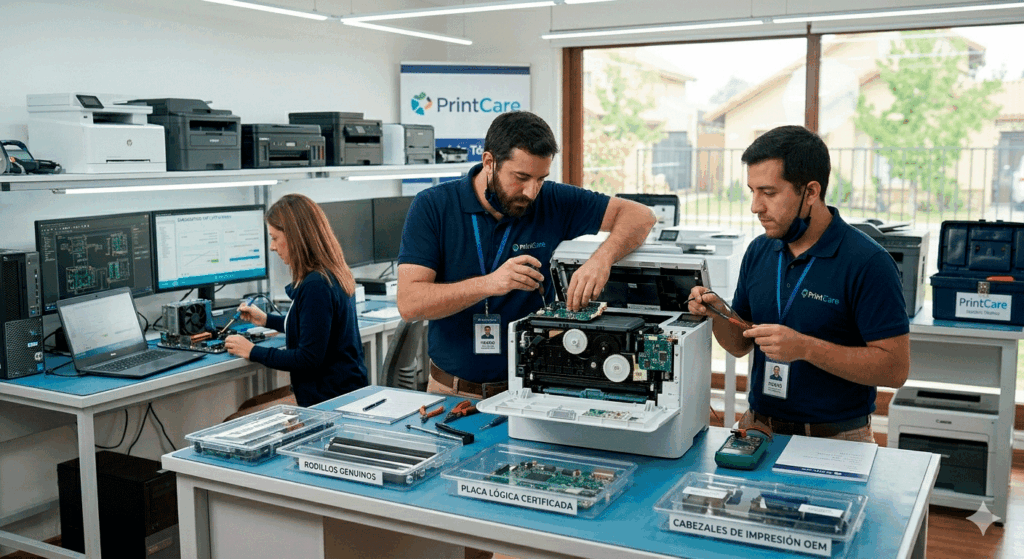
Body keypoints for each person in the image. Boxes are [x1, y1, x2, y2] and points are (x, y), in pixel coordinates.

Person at [397, 110, 656, 401]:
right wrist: (490, 284)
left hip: (531, 391)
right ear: (489, 162)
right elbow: (409, 304)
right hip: (451, 392)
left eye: (540, 179)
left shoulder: (553, 201)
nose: (531, 192)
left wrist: (601, 259)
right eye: (521, 178)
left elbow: (640, 216)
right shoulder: (433, 206)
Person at [688, 125, 910, 443]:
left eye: (769, 193)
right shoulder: (760, 250)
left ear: (810, 192)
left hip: (836, 437)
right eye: (752, 191)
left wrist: (805, 348)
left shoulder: (867, 262)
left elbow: (894, 368)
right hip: (759, 428)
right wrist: (717, 312)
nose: (755, 207)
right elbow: (740, 345)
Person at [225, 194, 369, 407]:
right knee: (250, 406)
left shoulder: (316, 285)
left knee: (237, 418)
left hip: (329, 402)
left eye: (274, 238)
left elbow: (308, 359)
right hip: (344, 391)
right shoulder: (331, 271)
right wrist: (266, 320)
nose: (272, 247)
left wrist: (252, 351)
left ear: (294, 237)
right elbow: (316, 328)